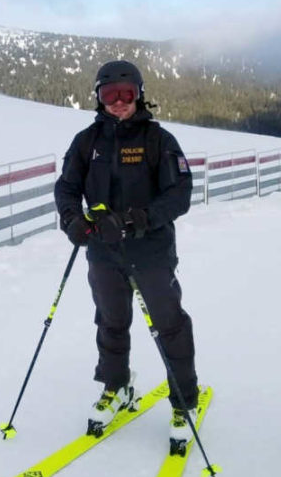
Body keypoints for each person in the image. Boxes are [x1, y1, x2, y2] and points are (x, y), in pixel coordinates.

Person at [54, 60, 199, 449]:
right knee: (111, 321)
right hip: (103, 252)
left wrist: (138, 220)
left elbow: (180, 194)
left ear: (139, 94)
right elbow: (66, 187)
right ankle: (117, 385)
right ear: (98, 98)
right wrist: (72, 221)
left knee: (168, 323)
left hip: (149, 250)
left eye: (127, 94)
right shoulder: (86, 142)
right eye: (109, 95)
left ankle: (185, 400)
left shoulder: (158, 140)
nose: (119, 103)